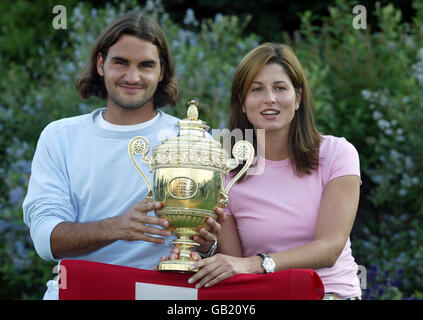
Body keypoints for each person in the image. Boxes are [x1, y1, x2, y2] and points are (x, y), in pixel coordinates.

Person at [23, 12, 223, 299]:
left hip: (164, 294)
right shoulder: (59, 137)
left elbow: (213, 246)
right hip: (80, 289)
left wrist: (205, 245)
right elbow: (45, 240)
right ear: (101, 64)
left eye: (145, 65)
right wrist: (117, 227)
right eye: (121, 63)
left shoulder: (194, 140)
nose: (133, 77)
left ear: (162, 71)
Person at [186, 43, 362, 300]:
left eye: (280, 88)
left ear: (298, 98)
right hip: (261, 296)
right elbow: (234, 264)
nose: (270, 98)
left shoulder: (337, 152)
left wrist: (257, 263)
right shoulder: (224, 163)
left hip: (328, 293)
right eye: (257, 89)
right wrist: (206, 250)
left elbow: (330, 248)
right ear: (242, 104)